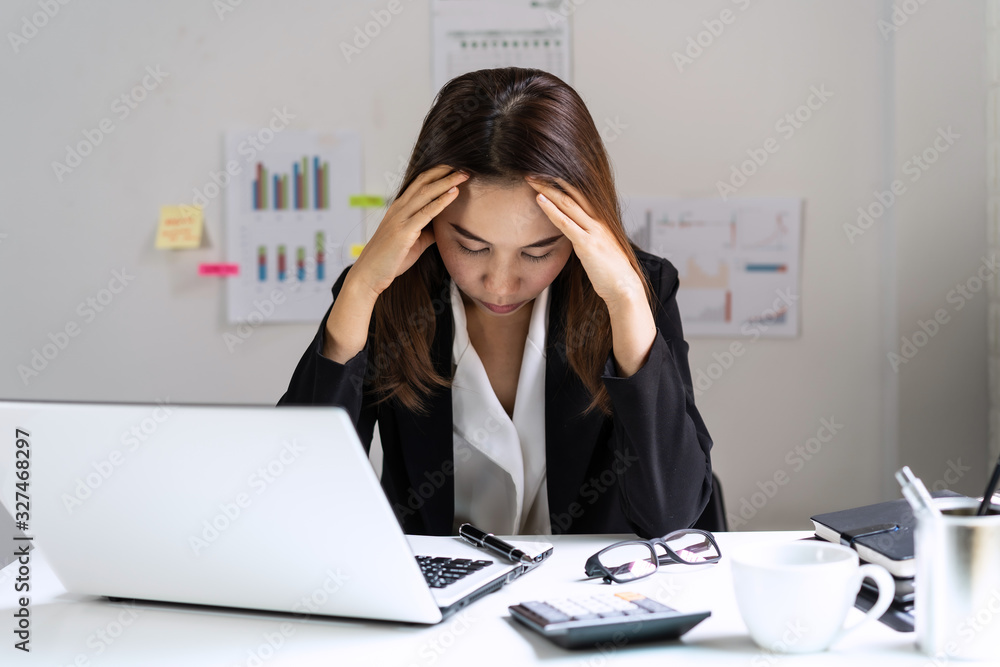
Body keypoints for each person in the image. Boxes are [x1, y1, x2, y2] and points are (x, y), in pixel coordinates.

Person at [278, 67, 713, 539]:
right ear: (424, 218)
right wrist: (359, 291)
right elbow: (296, 496)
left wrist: (626, 300)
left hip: (586, 596)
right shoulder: (383, 291)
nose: (501, 284)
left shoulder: (638, 289)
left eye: (538, 251)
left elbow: (672, 514)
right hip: (435, 597)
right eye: (471, 247)